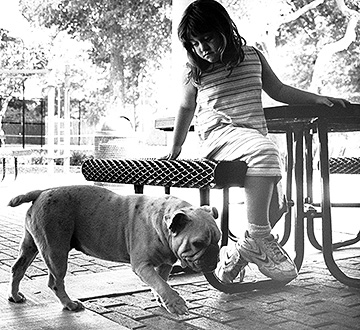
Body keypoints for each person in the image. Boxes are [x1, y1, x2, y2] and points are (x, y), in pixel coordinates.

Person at [165, 0, 348, 283]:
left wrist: (317, 99)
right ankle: (260, 239)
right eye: (195, 43)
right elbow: (186, 108)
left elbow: (279, 89)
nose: (203, 48)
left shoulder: (252, 56)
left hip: (251, 139)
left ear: (223, 28)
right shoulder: (196, 72)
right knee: (267, 151)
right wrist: (175, 147)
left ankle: (239, 254)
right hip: (219, 139)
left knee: (278, 206)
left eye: (208, 38)